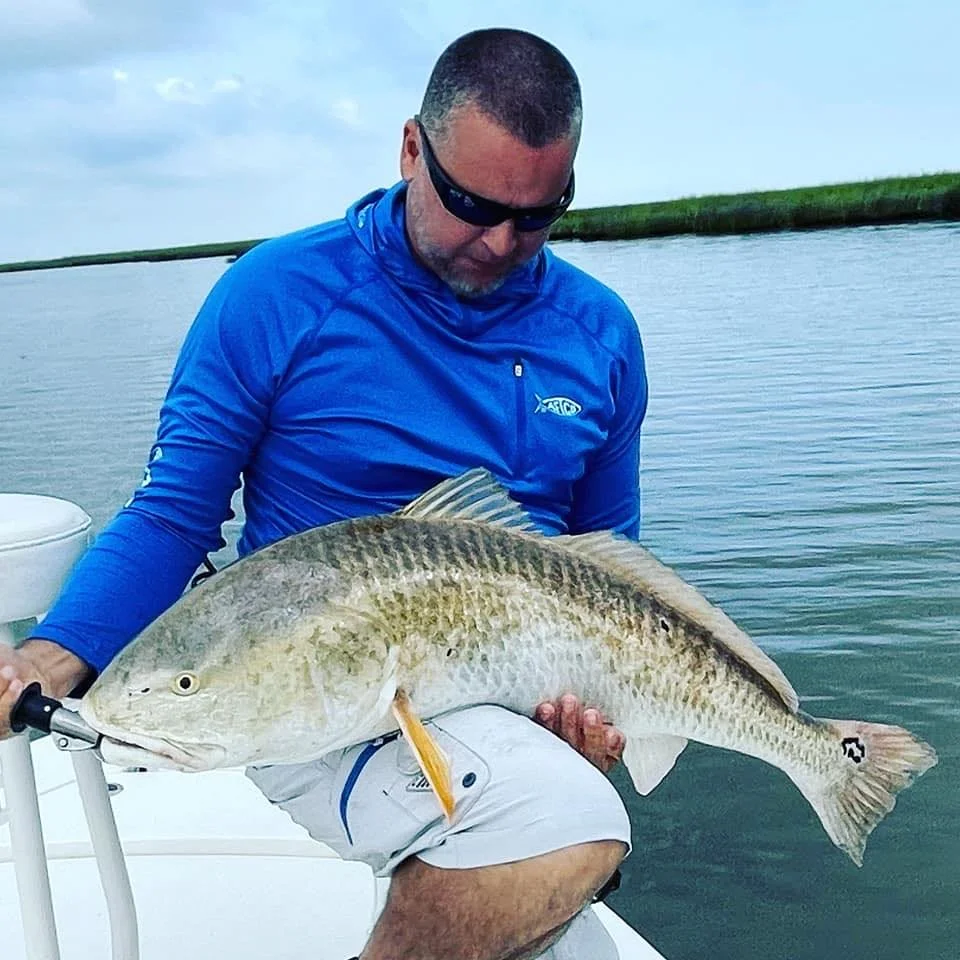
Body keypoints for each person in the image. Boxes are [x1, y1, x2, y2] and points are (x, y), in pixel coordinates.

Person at [0, 28, 647, 960]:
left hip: (509, 697)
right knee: (569, 820)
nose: (501, 242)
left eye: (539, 214)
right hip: (315, 694)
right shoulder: (277, 294)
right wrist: (57, 654)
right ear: (411, 149)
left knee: (572, 880)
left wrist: (596, 712)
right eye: (471, 204)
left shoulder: (602, 333)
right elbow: (178, 512)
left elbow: (608, 565)